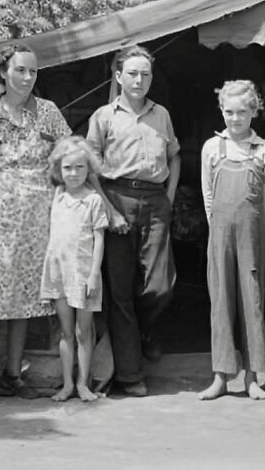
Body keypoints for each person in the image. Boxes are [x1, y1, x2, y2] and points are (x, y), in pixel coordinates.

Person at [0, 42, 71, 405]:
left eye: (33, 71)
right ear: (3, 73)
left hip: (36, 223)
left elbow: (69, 154)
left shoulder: (49, 113)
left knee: (23, 301)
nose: (27, 77)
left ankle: (13, 375)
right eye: (20, 70)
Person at [87, 45, 180, 397]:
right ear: (119, 77)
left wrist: (168, 198)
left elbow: (175, 156)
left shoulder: (162, 115)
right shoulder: (103, 116)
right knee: (120, 290)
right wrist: (108, 210)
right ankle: (130, 374)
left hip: (155, 200)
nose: (139, 80)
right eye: (133, 74)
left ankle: (147, 331)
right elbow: (90, 167)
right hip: (116, 197)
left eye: (145, 74)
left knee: (160, 285)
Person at [198, 80, 265, 401]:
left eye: (242, 112)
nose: (235, 118)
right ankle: (220, 376)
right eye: (229, 112)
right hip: (220, 239)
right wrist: (219, 229)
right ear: (221, 111)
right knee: (221, 302)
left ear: (254, 111)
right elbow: (207, 195)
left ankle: (252, 378)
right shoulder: (211, 149)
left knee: (252, 302)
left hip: (252, 241)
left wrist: (254, 232)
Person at [40, 136, 109, 402]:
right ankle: (67, 383)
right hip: (59, 272)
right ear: (59, 170)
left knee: (84, 331)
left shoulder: (92, 200)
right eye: (68, 167)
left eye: (80, 167)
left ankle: (83, 384)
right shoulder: (57, 196)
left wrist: (93, 274)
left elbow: (99, 239)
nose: (73, 173)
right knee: (66, 331)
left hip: (83, 274)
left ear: (88, 169)